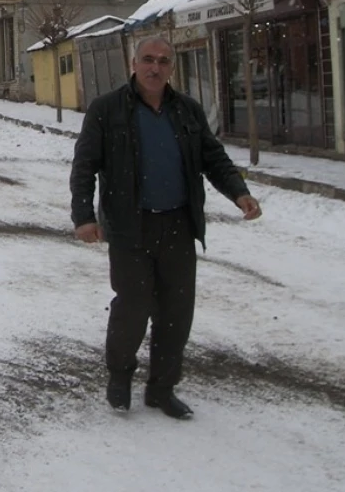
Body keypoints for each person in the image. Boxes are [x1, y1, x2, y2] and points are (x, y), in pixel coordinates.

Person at [69, 35, 262, 420]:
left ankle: (162, 388)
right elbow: (84, 166)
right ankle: (120, 378)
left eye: (163, 61)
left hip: (178, 223)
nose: (155, 68)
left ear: (171, 67)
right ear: (133, 63)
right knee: (133, 307)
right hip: (129, 227)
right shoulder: (107, 110)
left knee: (176, 312)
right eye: (147, 60)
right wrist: (84, 216)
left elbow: (214, 157)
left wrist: (239, 193)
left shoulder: (186, 110)